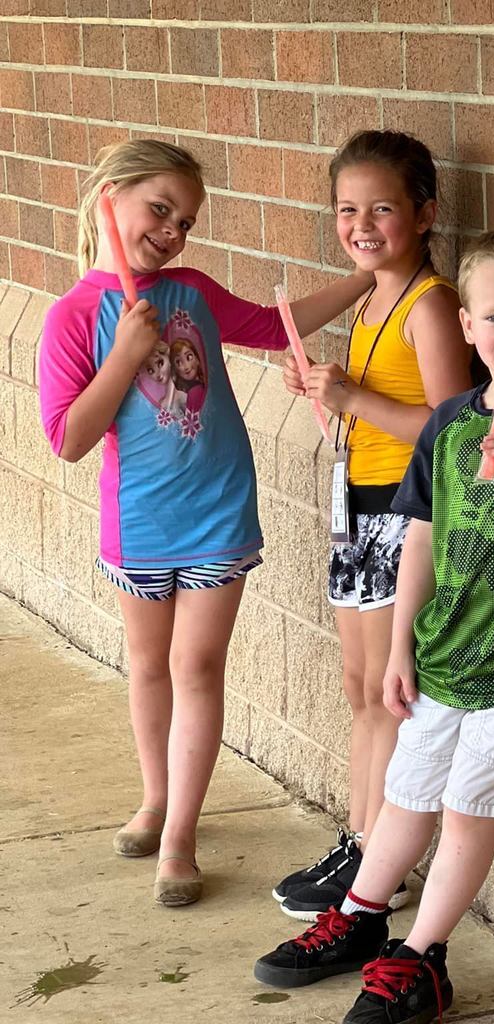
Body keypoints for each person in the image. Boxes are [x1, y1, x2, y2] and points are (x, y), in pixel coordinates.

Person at [253, 226, 494, 1023]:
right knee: (408, 793)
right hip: (444, 653)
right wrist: (399, 647)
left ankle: (422, 958)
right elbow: (422, 541)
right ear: (467, 326)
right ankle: (363, 918)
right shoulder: (448, 422)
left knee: (469, 804)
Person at [38, 139, 373, 907]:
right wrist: (124, 356)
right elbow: (69, 439)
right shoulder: (75, 316)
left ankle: (182, 835)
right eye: (160, 209)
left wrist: (365, 281)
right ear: (109, 198)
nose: (173, 231)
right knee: (149, 667)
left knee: (196, 668)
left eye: (185, 220)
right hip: (140, 525)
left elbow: (270, 324)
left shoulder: (189, 291)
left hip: (218, 511)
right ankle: (155, 799)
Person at [271, 130, 473, 921]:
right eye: (346, 209)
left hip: (403, 506)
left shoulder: (432, 303)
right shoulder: (371, 295)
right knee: (359, 685)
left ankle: (375, 869)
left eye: (382, 208)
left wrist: (354, 399)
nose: (361, 223)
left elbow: (452, 426)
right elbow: (308, 338)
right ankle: (359, 841)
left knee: (388, 693)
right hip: (355, 497)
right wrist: (326, 387)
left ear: (424, 213)